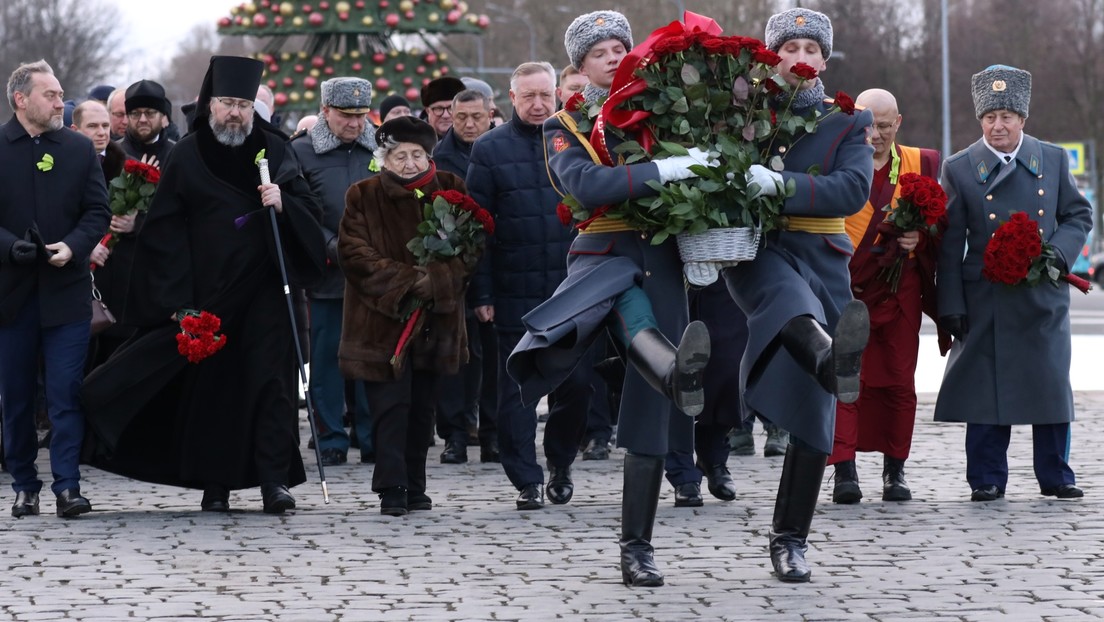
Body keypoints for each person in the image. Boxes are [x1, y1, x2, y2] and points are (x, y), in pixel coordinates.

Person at [507, 10, 711, 587]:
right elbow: (588, 186)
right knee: (638, 326)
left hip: (664, 262)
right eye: (600, 52)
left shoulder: (663, 107)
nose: (615, 55)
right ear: (579, 66)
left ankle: (637, 547)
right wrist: (662, 169)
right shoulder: (564, 125)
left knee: (651, 410)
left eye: (622, 45)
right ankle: (674, 369)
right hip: (604, 260)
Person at [81, 55, 327, 515]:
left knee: (271, 385)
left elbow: (308, 211)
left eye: (243, 104)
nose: (235, 113)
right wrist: (180, 304)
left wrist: (283, 204)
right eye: (227, 103)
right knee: (215, 389)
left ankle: (274, 480)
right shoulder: (187, 154)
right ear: (210, 105)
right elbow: (166, 231)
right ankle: (216, 485)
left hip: (266, 289)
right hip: (208, 295)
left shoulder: (273, 149)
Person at [716, 8, 874, 582]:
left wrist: (783, 185)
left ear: (825, 62)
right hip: (757, 253)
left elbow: (852, 189)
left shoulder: (847, 122)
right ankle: (834, 359)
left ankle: (790, 539)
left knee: (814, 412)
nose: (801, 57)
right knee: (792, 307)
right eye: (791, 47)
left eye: (813, 49)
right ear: (771, 56)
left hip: (822, 259)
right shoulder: (739, 112)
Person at [935, 65, 1091, 502]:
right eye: (989, 117)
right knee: (986, 388)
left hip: (1041, 291)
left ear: (1023, 118)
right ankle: (986, 476)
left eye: (1006, 116)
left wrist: (1057, 254)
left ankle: (1055, 473)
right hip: (984, 294)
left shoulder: (1053, 159)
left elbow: (1078, 216)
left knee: (1049, 384)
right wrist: (951, 304)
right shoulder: (960, 167)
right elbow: (950, 244)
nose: (997, 126)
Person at [338, 116, 479, 516]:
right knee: (390, 408)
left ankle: (416, 483)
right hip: (380, 322)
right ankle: (392, 486)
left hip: (436, 321)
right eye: (400, 156)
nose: (410, 163)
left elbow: (471, 250)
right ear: (385, 158)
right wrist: (410, 283)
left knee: (423, 409)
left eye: (417, 155)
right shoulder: (362, 195)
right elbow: (354, 253)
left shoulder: (451, 190)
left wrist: (438, 282)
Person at [467, 61, 593, 509]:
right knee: (517, 392)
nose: (538, 104)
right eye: (528, 97)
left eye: (545, 95)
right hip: (511, 290)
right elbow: (475, 226)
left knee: (576, 387)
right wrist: (481, 293)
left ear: (557, 94)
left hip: (573, 288)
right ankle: (526, 479)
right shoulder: (489, 149)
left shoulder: (579, 138)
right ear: (513, 99)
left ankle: (560, 462)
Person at [0, 60, 110, 518]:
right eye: (50, 95)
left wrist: (75, 246)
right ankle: (25, 484)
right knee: (18, 396)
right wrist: (11, 248)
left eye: (61, 93)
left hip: (65, 295)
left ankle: (68, 486)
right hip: (11, 297)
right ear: (21, 100)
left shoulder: (79, 150)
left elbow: (97, 212)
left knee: (66, 392)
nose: (60, 102)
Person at [827, 88, 944, 504]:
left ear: (898, 123)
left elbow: (941, 228)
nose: (874, 135)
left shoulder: (921, 163)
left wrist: (920, 237)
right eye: (867, 125)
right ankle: (845, 472)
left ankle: (895, 470)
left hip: (898, 291)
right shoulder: (836, 159)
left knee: (898, 380)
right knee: (845, 378)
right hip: (846, 289)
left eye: (882, 125)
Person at [290, 77, 377, 467]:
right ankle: (330, 438)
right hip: (327, 273)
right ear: (325, 111)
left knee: (371, 358)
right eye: (346, 116)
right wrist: (330, 244)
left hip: (375, 275)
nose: (355, 124)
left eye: (361, 116)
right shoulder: (302, 152)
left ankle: (372, 435)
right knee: (326, 361)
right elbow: (299, 208)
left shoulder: (380, 147)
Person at [432, 87, 498, 466]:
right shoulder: (439, 161)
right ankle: (454, 434)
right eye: (461, 118)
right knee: (455, 358)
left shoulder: (500, 149)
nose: (470, 124)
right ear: (450, 118)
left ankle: (492, 433)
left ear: (491, 114)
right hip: (453, 270)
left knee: (493, 358)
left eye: (477, 117)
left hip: (498, 265)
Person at [72, 101, 130, 369]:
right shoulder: (63, 163)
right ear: (75, 129)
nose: (102, 132)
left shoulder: (125, 165)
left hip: (115, 273)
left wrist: (133, 223)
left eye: (105, 125)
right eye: (93, 126)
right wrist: (85, 247)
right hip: (75, 271)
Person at [119, 79, 175, 165]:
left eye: (150, 113)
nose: (143, 120)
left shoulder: (176, 153)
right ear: (127, 117)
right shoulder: (114, 154)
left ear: (162, 116)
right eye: (135, 113)